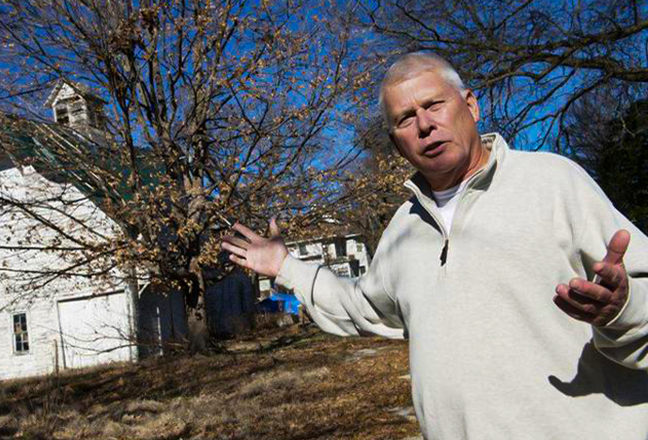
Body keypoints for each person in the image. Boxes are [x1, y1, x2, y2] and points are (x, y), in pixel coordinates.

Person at [221, 52, 648, 440]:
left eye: (434, 105)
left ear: (471, 106)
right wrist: (285, 266)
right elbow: (361, 308)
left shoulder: (554, 182)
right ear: (395, 144)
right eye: (405, 118)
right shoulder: (402, 230)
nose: (424, 125)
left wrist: (622, 309)